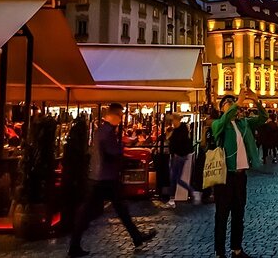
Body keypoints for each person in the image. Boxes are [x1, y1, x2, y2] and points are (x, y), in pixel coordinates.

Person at [69, 103, 156, 257]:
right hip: (104, 178)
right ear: (114, 115)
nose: (122, 120)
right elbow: (112, 151)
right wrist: (123, 147)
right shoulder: (107, 132)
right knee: (93, 212)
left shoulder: (101, 131)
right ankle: (74, 245)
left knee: (118, 209)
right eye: (121, 116)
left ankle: (136, 237)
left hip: (99, 177)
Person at [212, 88, 267, 258]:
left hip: (240, 176)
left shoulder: (244, 123)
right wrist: (238, 102)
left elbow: (263, 118)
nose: (233, 106)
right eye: (228, 104)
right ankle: (219, 252)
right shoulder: (219, 124)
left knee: (238, 214)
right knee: (221, 216)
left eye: (233, 103)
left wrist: (256, 100)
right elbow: (225, 119)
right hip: (225, 176)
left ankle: (237, 249)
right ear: (222, 108)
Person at [167, 113, 195, 207]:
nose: (172, 122)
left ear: (176, 120)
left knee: (174, 179)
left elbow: (177, 143)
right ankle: (192, 191)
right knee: (176, 179)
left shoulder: (179, 130)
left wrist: (175, 153)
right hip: (179, 156)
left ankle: (172, 199)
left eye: (172, 120)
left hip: (178, 156)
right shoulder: (181, 129)